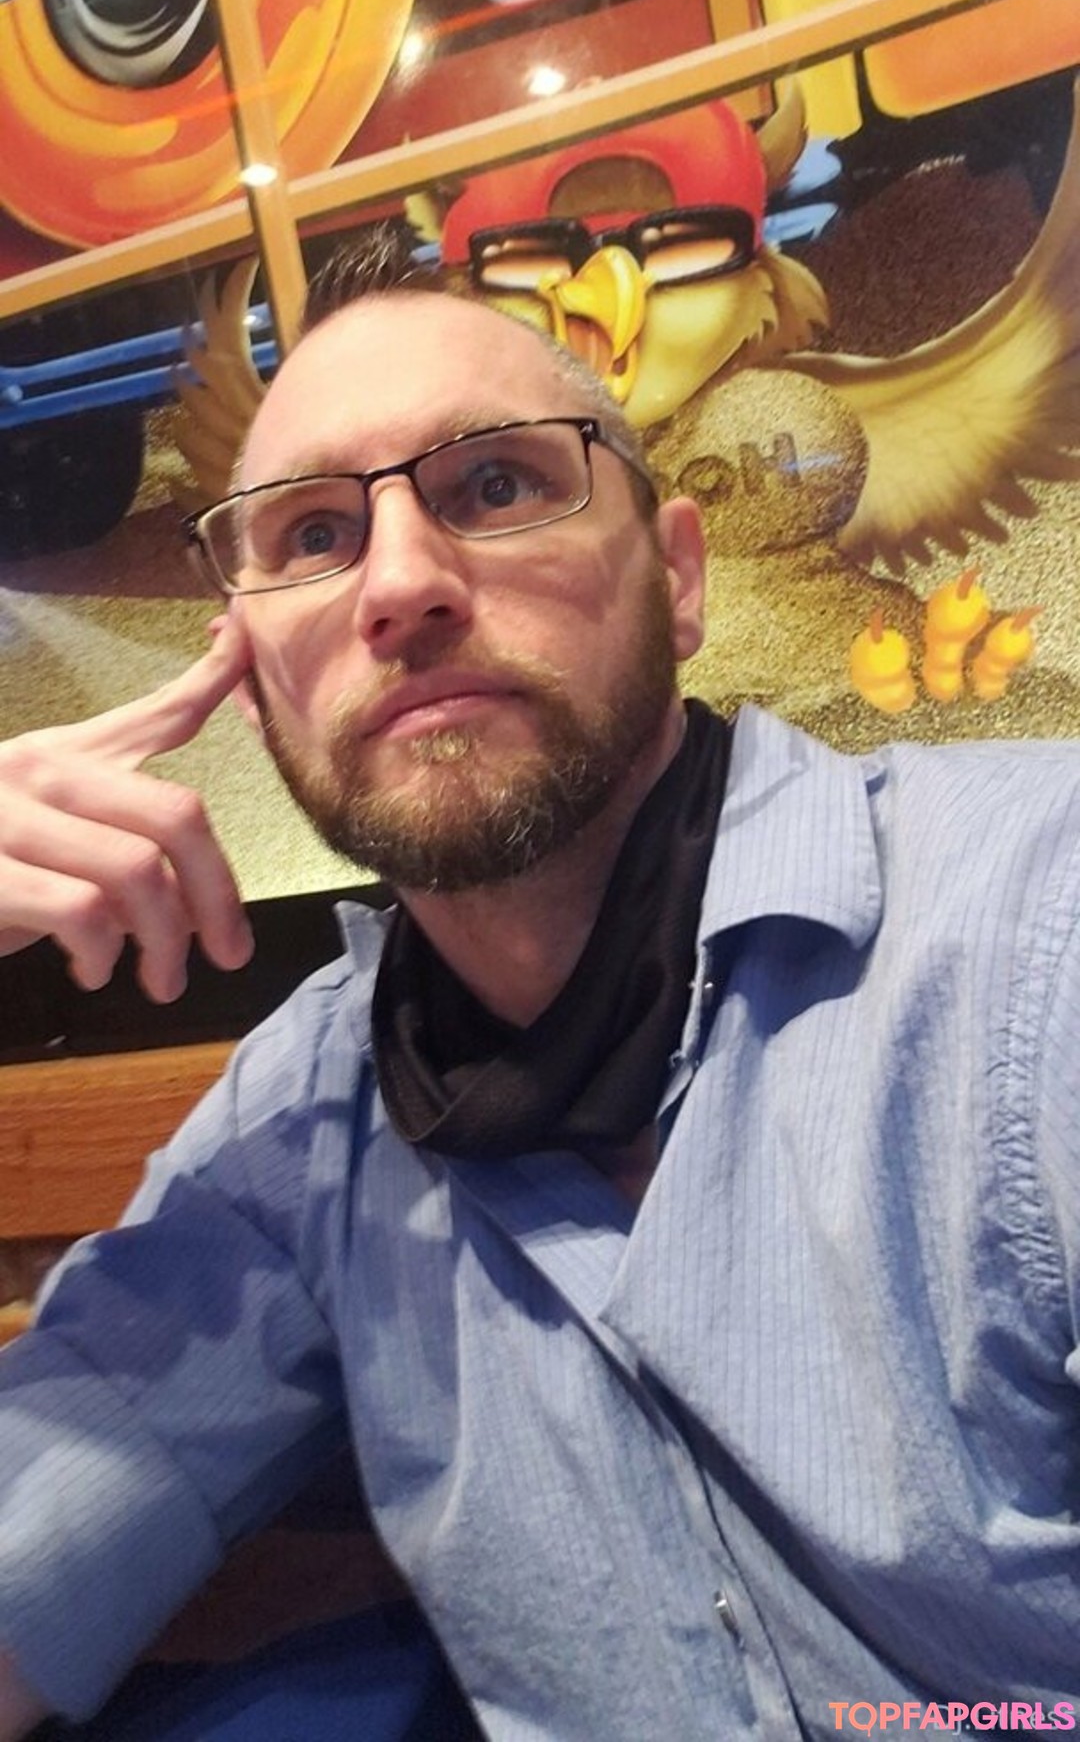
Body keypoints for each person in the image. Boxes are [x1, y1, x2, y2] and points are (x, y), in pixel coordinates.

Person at [0, 251, 1078, 1742]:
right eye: (314, 533)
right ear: (251, 678)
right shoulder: (299, 1140)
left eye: (497, 485)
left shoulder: (1034, 928)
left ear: (679, 576)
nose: (398, 585)